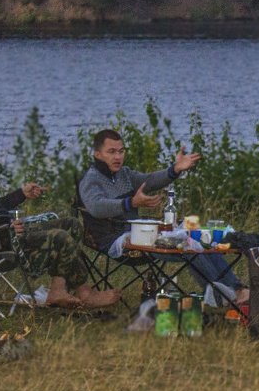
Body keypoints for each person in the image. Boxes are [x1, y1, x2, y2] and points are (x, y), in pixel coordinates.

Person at [0, 130, 118, 309]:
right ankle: (79, 293)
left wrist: (21, 194)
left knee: (72, 224)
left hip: (6, 232)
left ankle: (61, 289)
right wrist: (4, 227)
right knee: (60, 237)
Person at [78, 129, 248, 304]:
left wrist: (174, 170)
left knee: (194, 237)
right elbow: (96, 207)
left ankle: (234, 290)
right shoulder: (90, 179)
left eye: (121, 151)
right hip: (113, 240)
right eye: (111, 152)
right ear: (97, 154)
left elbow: (150, 180)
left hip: (139, 232)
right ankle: (229, 295)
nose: (118, 157)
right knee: (187, 245)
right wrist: (131, 203)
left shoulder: (123, 174)